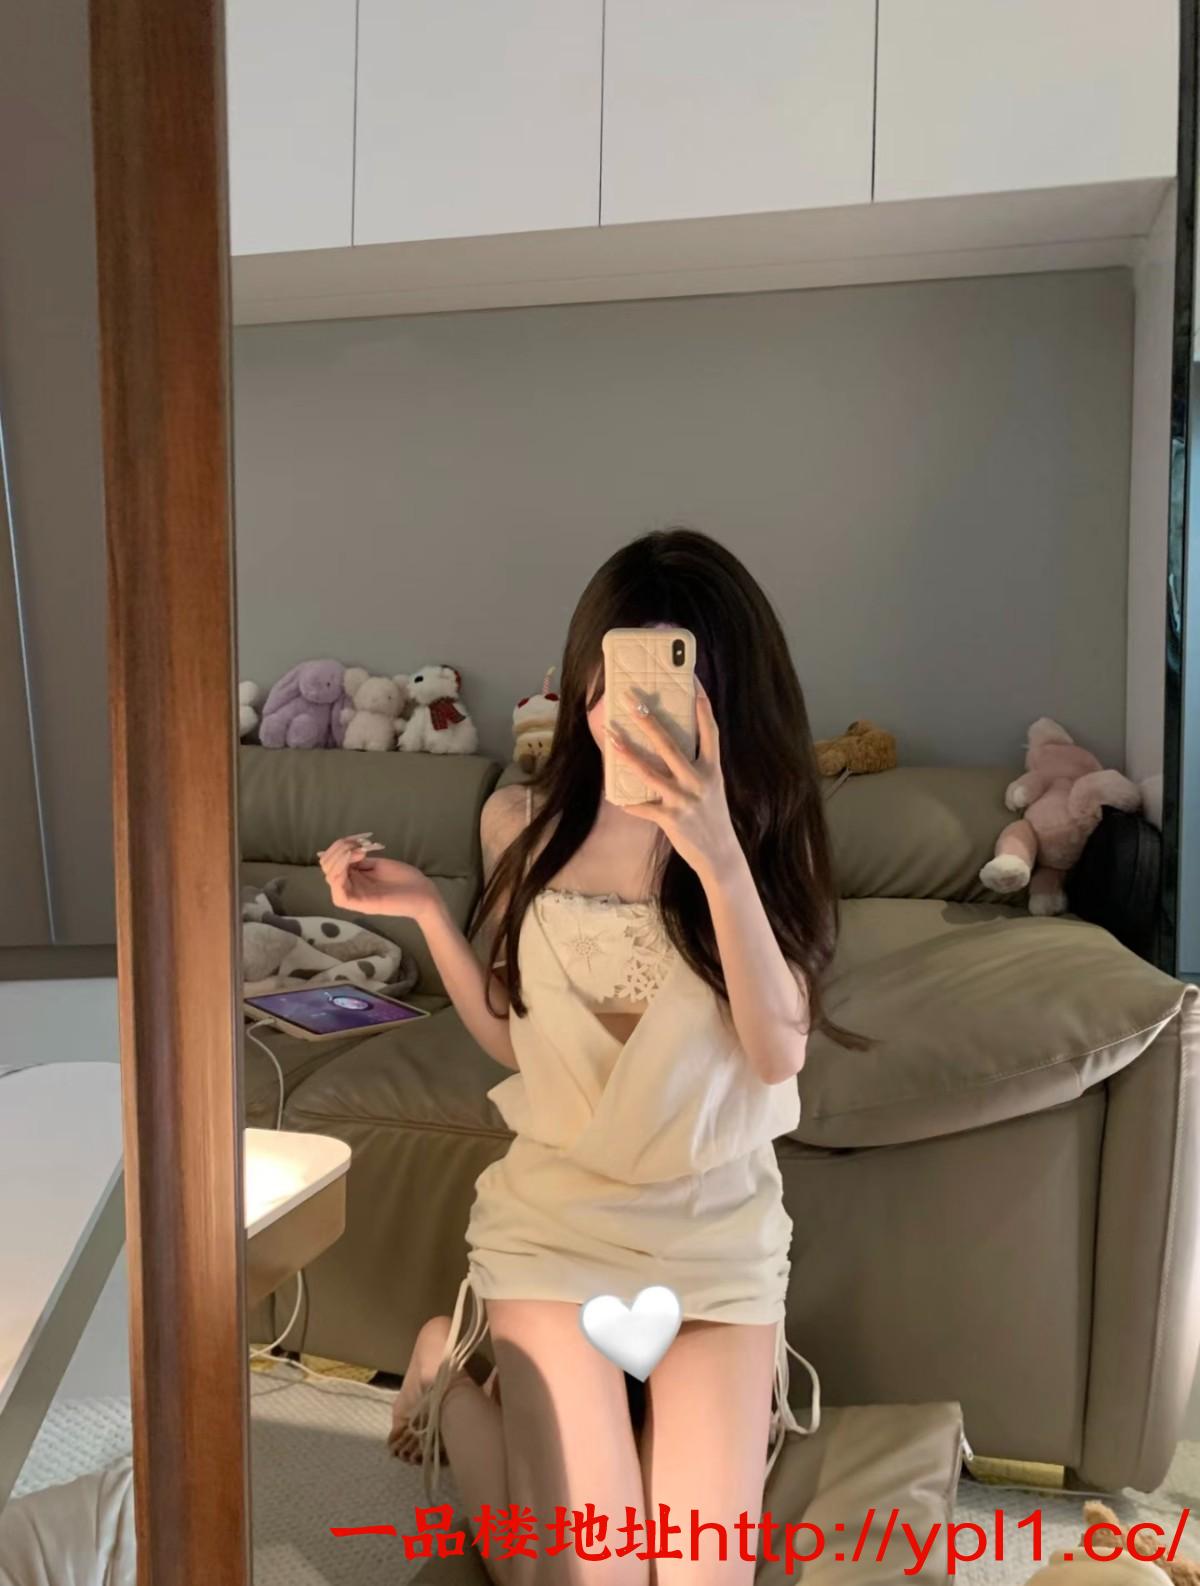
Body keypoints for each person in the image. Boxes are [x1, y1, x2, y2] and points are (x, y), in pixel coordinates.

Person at [318, 527, 870, 1585]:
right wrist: (429, 913)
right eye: (616, 673)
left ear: (726, 697)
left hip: (712, 1235)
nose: (636, 705)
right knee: (585, 1576)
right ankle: (446, 1375)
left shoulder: (767, 836)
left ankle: (577, 1415)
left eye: (673, 676)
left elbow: (776, 1053)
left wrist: (714, 850)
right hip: (557, 1228)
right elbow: (518, 1038)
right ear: (583, 683)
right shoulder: (523, 825)